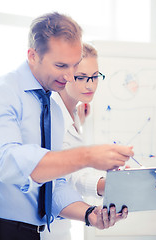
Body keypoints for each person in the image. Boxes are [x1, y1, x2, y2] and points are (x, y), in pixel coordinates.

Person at [0, 12, 133, 240]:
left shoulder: (52, 107)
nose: (70, 76)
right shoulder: (5, 92)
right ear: (32, 55)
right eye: (61, 65)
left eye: (74, 65)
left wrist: (90, 214)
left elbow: (53, 184)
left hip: (36, 233)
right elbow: (6, 161)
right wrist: (87, 156)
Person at [41, 43, 107, 239]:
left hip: (62, 226)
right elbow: (67, 178)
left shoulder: (75, 114)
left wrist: (80, 122)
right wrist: (107, 185)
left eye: (95, 76)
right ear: (65, 76)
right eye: (81, 78)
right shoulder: (51, 119)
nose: (90, 85)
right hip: (46, 228)